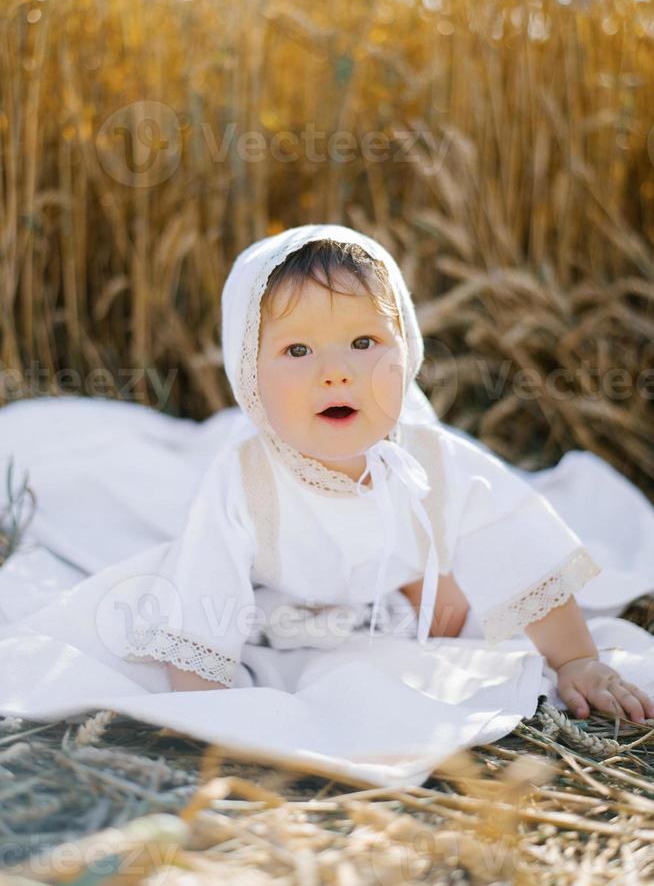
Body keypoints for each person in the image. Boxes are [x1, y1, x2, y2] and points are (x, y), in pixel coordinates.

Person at [119, 224, 653, 725]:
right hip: (290, 590)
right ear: (248, 374)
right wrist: (207, 708)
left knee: (453, 605)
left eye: (364, 342)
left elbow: (518, 546)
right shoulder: (245, 478)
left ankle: (418, 581)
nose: (336, 371)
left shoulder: (432, 462)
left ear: (408, 349)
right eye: (297, 350)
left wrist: (576, 661)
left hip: (399, 570)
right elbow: (201, 591)